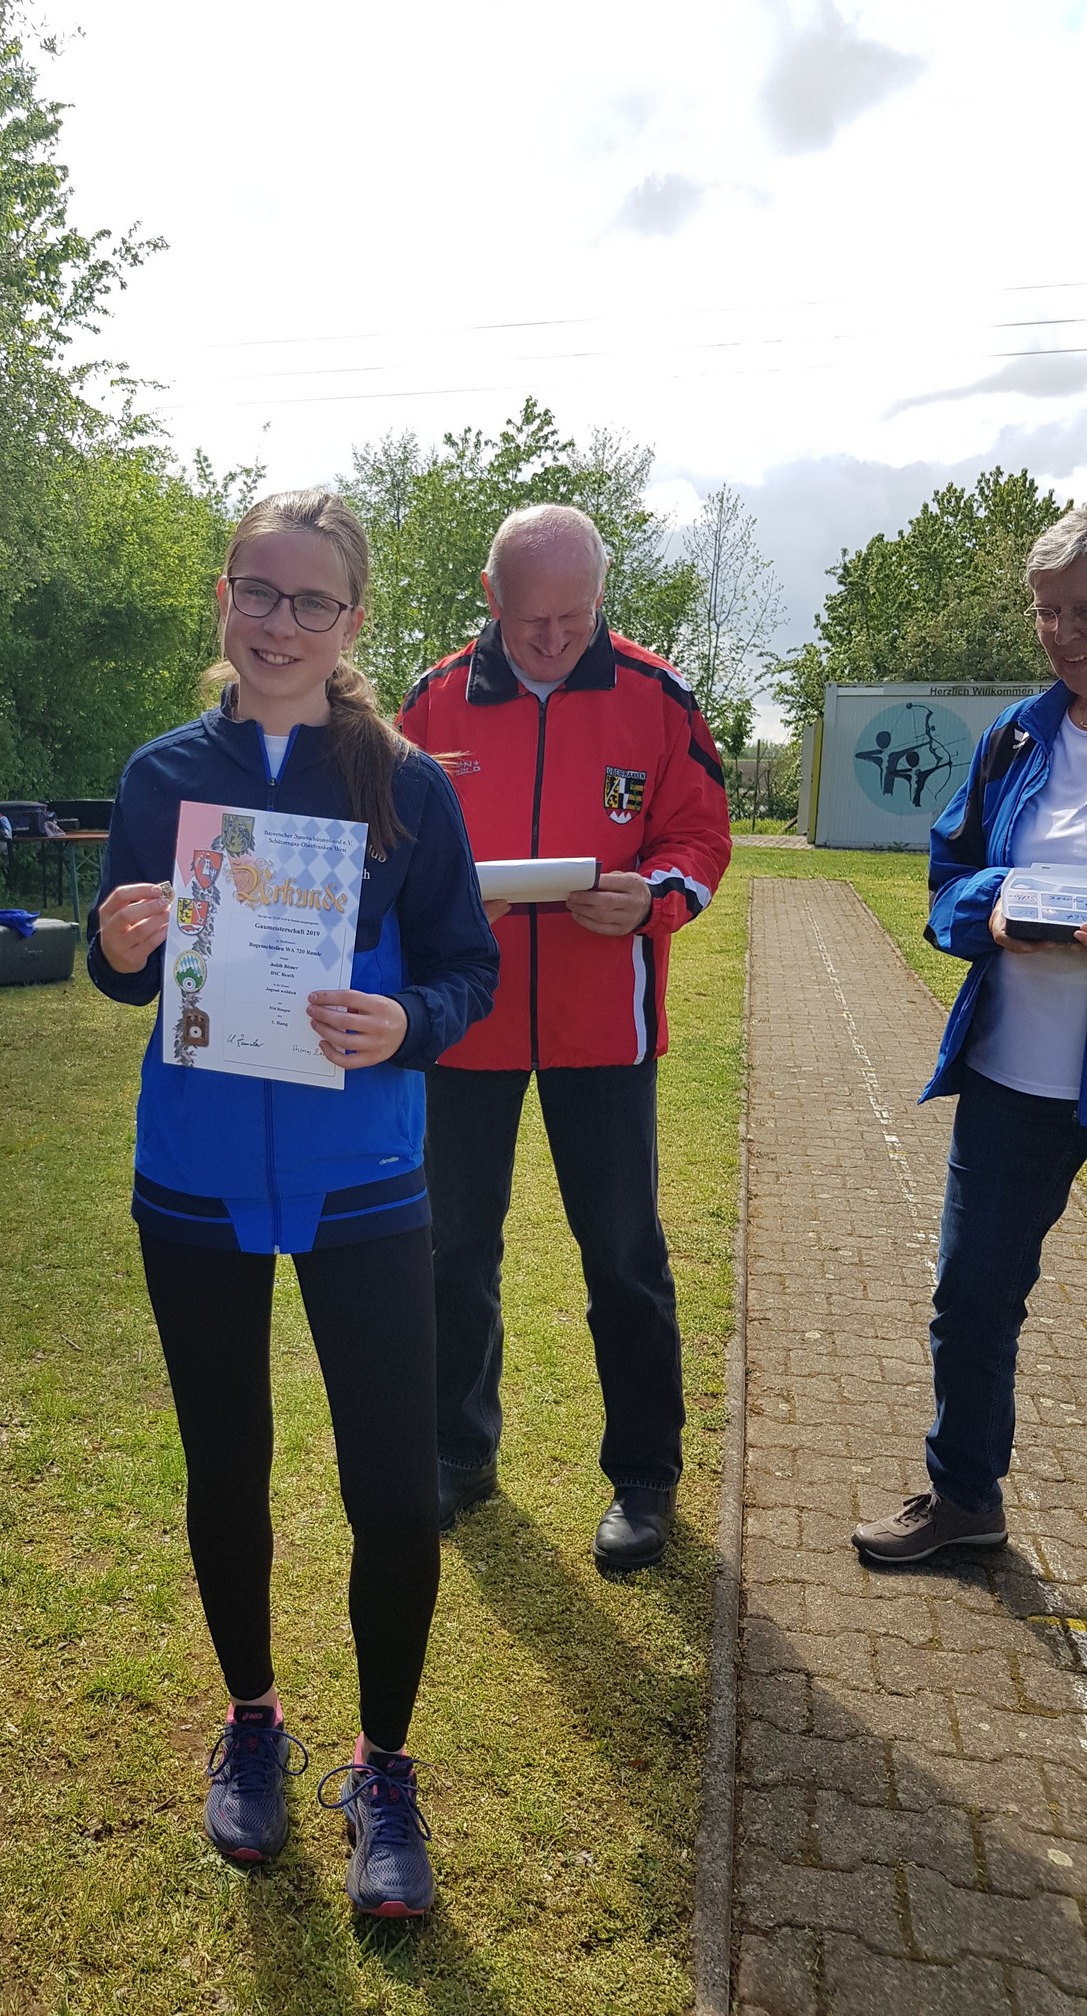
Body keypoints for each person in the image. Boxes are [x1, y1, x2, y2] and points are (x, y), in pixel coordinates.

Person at [87, 489, 498, 1916]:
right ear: (225, 598)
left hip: (363, 1180)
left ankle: (384, 1769)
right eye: (258, 592)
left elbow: (465, 969)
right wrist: (117, 945)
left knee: (392, 1489)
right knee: (228, 1468)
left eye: (312, 601)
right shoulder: (160, 775)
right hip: (195, 1176)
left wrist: (408, 1022)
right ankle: (253, 1720)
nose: (280, 624)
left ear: (352, 620)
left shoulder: (408, 784)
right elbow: (129, 976)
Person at [398, 504, 731, 1567]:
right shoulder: (431, 701)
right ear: (490, 598)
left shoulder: (657, 694)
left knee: (624, 1257)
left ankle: (645, 1476)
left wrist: (654, 899)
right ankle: (457, 1451)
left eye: (574, 617)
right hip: (465, 1021)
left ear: (599, 597)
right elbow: (391, 850)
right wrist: (449, 902)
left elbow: (700, 836)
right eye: (530, 618)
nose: (551, 638)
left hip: (603, 1026)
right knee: (453, 1249)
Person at [855, 505, 1087, 1563]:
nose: (1062, 634)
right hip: (1012, 1078)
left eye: (1082, 611)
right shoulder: (1017, 738)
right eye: (1046, 612)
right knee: (973, 1297)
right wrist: (993, 908)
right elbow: (947, 878)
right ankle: (964, 1501)